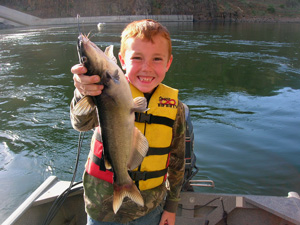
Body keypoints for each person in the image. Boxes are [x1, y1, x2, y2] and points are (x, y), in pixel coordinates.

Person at [70, 19, 186, 225]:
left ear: (169, 63)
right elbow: (80, 123)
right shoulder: (101, 91)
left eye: (157, 59)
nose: (146, 68)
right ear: (121, 60)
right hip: (101, 208)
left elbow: (177, 161)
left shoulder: (175, 109)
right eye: (137, 58)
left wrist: (171, 207)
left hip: (149, 209)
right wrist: (82, 92)